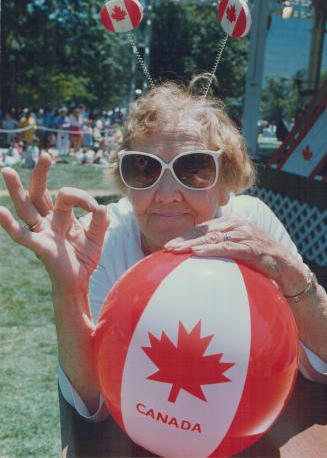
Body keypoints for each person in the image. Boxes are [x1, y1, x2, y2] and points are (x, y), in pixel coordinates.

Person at [0, 81, 326, 443]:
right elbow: (93, 404)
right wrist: (68, 288)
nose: (168, 195)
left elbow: (321, 363)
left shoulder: (253, 225)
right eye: (144, 169)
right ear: (125, 183)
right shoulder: (105, 238)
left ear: (225, 182)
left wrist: (291, 274)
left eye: (194, 169)